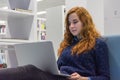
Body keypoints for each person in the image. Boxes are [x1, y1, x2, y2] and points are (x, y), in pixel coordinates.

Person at [0, 6, 110, 80]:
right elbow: (56, 67)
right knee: (30, 70)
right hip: (60, 77)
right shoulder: (67, 44)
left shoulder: (98, 43)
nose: (71, 26)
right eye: (69, 23)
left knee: (29, 70)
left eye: (75, 22)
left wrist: (85, 78)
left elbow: (105, 77)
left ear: (85, 22)